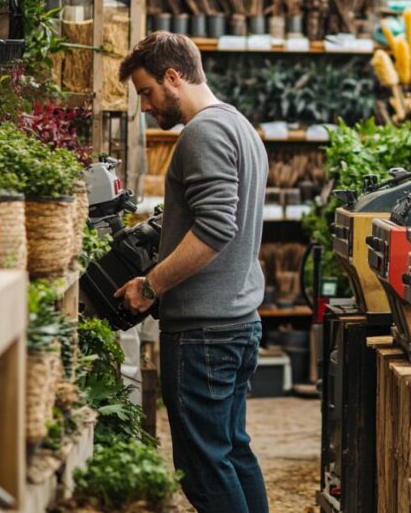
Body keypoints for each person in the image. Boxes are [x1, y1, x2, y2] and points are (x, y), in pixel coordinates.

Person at [114, 32, 269, 513]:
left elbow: (217, 227)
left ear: (173, 77)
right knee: (231, 452)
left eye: (146, 92)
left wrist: (150, 284)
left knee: (204, 470)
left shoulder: (203, 132)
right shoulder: (241, 126)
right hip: (235, 322)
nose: (145, 106)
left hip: (206, 332)